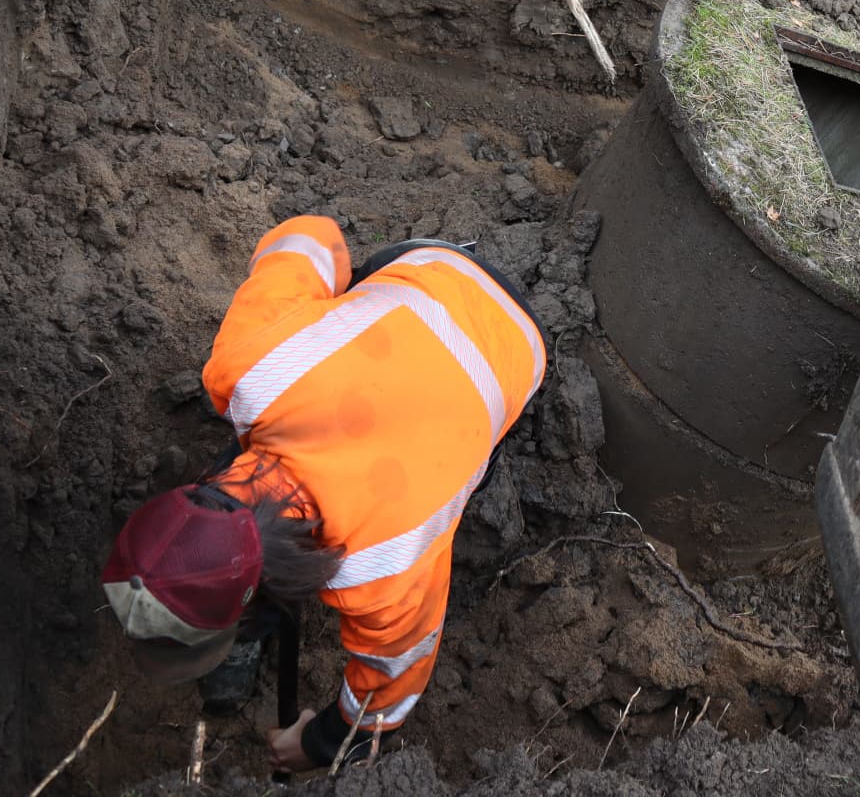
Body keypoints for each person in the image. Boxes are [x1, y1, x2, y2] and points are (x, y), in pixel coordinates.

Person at [101, 216, 547, 771]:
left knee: (464, 474)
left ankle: (243, 632)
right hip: (427, 277)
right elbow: (307, 235)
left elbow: (394, 672)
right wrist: (330, 328)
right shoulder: (249, 367)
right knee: (250, 448)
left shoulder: (386, 566)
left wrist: (324, 742)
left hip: (513, 344)